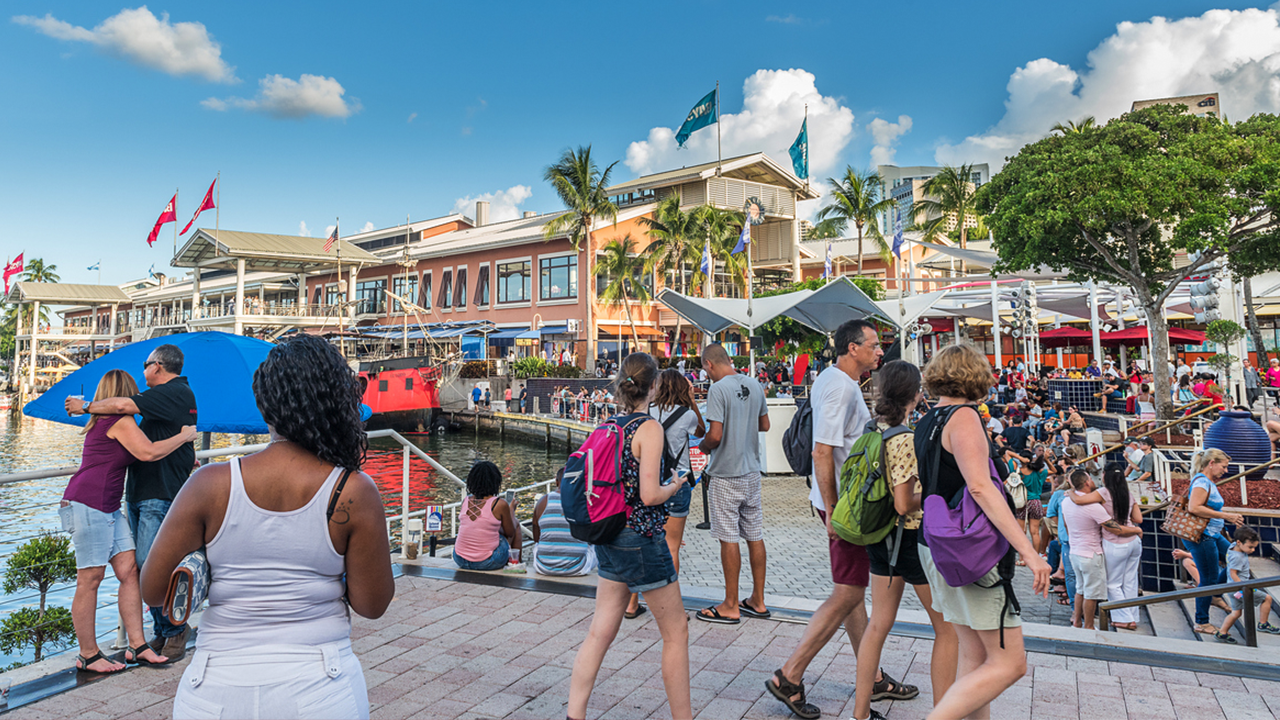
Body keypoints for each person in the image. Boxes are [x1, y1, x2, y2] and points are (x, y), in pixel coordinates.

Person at [139, 334, 395, 719]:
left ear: (263, 404)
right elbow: (372, 605)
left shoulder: (210, 484)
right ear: (339, 403)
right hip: (319, 686)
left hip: (215, 686)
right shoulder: (353, 491)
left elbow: (153, 590)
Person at [767, 320, 905, 718]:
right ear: (852, 348)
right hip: (846, 507)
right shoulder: (841, 388)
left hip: (842, 503)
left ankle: (871, 676)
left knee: (852, 589)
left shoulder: (835, 379)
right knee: (847, 592)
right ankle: (790, 675)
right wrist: (832, 510)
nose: (880, 351)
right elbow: (822, 451)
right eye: (873, 345)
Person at [913, 344, 1049, 720]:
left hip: (936, 542)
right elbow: (980, 487)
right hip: (971, 549)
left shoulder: (927, 420)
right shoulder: (964, 418)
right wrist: (1029, 551)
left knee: (974, 655)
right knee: (1009, 663)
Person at [567, 352, 690, 720]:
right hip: (640, 537)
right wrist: (675, 486)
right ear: (654, 387)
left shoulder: (608, 424)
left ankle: (575, 714)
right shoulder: (648, 429)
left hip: (608, 533)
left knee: (599, 631)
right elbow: (650, 495)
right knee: (676, 632)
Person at [66, 343, 198, 660]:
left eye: (146, 366)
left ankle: (154, 638)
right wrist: (184, 439)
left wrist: (182, 454)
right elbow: (147, 451)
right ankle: (96, 653)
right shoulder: (122, 420)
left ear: (157, 366)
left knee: (137, 570)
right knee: (107, 575)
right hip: (102, 502)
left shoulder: (139, 409)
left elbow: (143, 448)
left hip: (119, 502)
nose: (141, 383)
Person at [850, 361, 956, 720]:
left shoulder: (872, 428)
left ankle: (861, 713)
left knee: (878, 624)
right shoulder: (905, 438)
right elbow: (903, 502)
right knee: (947, 628)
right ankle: (944, 713)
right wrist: (933, 495)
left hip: (878, 535)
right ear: (915, 394)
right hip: (908, 538)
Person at [696, 343, 770, 625]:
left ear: (709, 364)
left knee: (728, 538)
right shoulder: (754, 384)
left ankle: (730, 604)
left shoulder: (717, 389)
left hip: (726, 472)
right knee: (754, 534)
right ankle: (758, 600)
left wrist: (703, 447)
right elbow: (765, 425)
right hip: (751, 471)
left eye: (705, 370)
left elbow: (715, 435)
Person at [1061, 469, 1138, 630]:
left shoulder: (1066, 501)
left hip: (1075, 551)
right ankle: (1088, 627)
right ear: (1087, 483)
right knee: (1092, 593)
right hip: (1091, 553)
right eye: (1091, 479)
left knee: (1080, 589)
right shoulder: (1094, 507)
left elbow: (1067, 526)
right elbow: (1115, 528)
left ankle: (1077, 622)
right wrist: (1136, 530)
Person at [1183, 448, 1246, 634]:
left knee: (1236, 558)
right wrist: (1226, 516)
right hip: (1203, 536)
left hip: (1213, 533)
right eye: (1223, 467)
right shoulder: (1202, 482)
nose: (1225, 471)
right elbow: (1194, 507)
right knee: (1208, 579)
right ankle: (1201, 622)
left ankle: (1215, 595)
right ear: (1211, 463)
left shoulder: (1207, 482)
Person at [1213, 526, 1279, 643]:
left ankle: (1222, 632)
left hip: (1232, 589)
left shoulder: (1233, 546)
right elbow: (1233, 573)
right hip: (1240, 589)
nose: (1252, 550)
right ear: (1239, 542)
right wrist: (1243, 587)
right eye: (1250, 547)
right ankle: (1263, 624)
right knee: (1267, 598)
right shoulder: (1237, 557)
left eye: (1254, 547)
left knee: (1236, 613)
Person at [453, 462, 522, 570]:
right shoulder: (499, 504)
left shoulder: (465, 500)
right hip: (487, 562)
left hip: (460, 559)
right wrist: (511, 510)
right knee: (516, 524)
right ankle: (517, 563)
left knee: (492, 531)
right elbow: (510, 533)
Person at [531, 479, 598, 577]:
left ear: (557, 482)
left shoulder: (543, 501)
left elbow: (536, 538)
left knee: (538, 544)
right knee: (598, 543)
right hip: (578, 568)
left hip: (543, 567)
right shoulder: (585, 501)